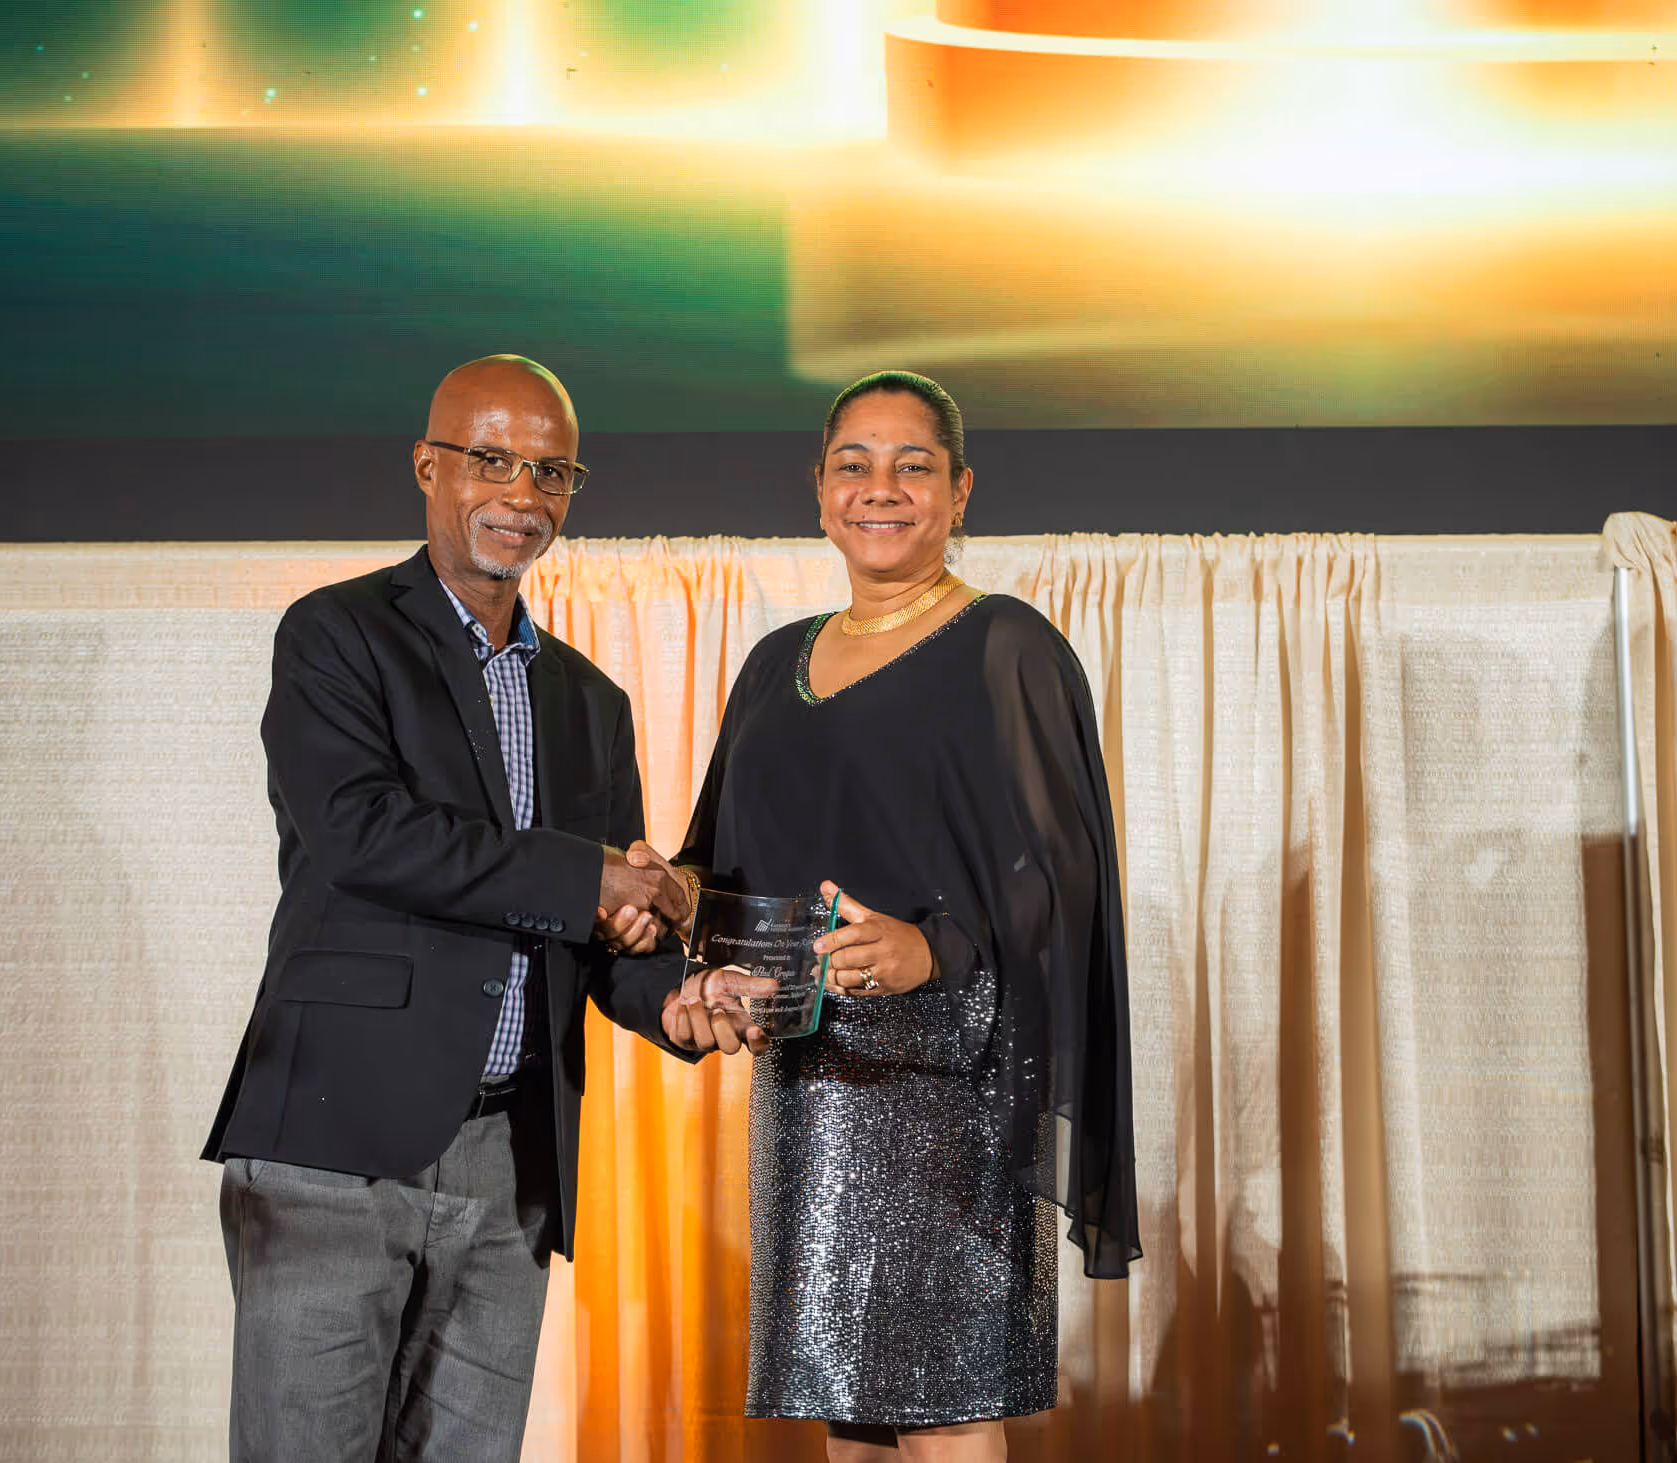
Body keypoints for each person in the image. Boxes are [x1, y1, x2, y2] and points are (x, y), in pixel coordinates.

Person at [201, 354, 768, 1462]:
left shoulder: (589, 702)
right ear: (428, 465)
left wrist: (680, 998)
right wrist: (591, 875)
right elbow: (362, 833)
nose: (523, 492)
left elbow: (606, 939)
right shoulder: (335, 634)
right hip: (334, 1144)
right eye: (493, 458)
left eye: (552, 471)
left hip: (514, 1159)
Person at [661, 370, 1142, 1461]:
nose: (880, 488)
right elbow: (722, 872)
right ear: (819, 489)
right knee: (853, 1416)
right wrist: (681, 927)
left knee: (947, 1413)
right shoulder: (769, 663)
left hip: (949, 1089)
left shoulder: (1005, 645)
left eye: (911, 465)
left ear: (960, 490)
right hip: (809, 1086)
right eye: (853, 463)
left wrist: (936, 946)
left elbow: (1065, 879)